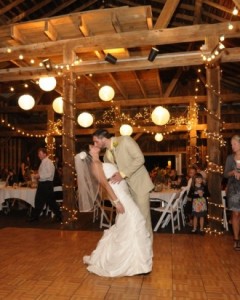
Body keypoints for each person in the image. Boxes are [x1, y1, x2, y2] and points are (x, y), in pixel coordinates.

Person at [75, 145, 153, 277]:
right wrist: (116, 202)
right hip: (119, 197)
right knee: (135, 221)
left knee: (130, 224)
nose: (94, 145)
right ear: (89, 152)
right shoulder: (95, 165)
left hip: (122, 195)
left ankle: (138, 264)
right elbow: (105, 185)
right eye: (91, 146)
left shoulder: (99, 162)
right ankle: (134, 264)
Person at [92, 129, 154, 241]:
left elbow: (140, 159)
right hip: (125, 191)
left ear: (103, 138)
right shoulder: (106, 156)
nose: (95, 144)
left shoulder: (125, 140)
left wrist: (122, 174)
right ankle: (135, 247)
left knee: (143, 218)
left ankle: (147, 247)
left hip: (139, 185)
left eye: (96, 141)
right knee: (131, 219)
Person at [28, 148, 62, 222]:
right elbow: (44, 173)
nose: (39, 155)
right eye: (38, 154)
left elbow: (49, 174)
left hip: (46, 184)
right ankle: (35, 217)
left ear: (45, 154)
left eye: (40, 154)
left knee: (50, 201)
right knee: (38, 201)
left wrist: (39, 176)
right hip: (43, 184)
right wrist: (38, 175)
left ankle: (59, 216)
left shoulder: (48, 162)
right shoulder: (43, 162)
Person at [224, 134, 240, 250]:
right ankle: (236, 239)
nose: (232, 146)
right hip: (233, 189)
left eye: (234, 144)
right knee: (235, 213)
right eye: (231, 144)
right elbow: (225, 174)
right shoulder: (230, 158)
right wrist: (233, 172)